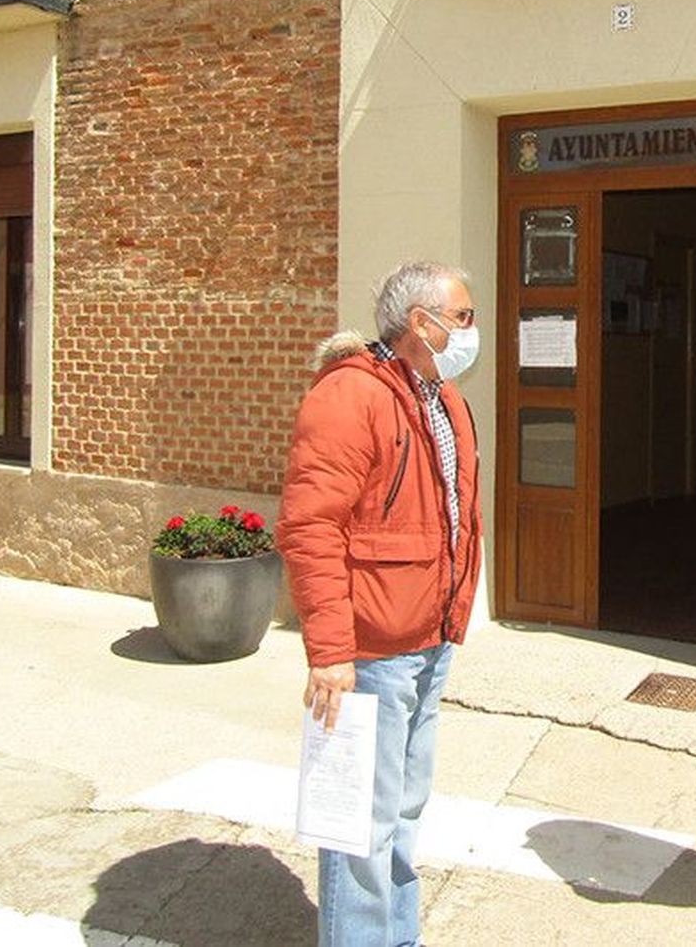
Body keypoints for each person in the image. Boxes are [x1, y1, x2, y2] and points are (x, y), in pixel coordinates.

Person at [277, 260, 484, 947]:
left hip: (428, 639)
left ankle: (397, 937)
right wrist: (331, 652)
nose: (471, 328)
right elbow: (311, 527)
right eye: (462, 316)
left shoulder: (444, 396)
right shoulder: (350, 397)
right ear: (419, 323)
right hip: (371, 650)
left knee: (403, 808)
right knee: (359, 821)